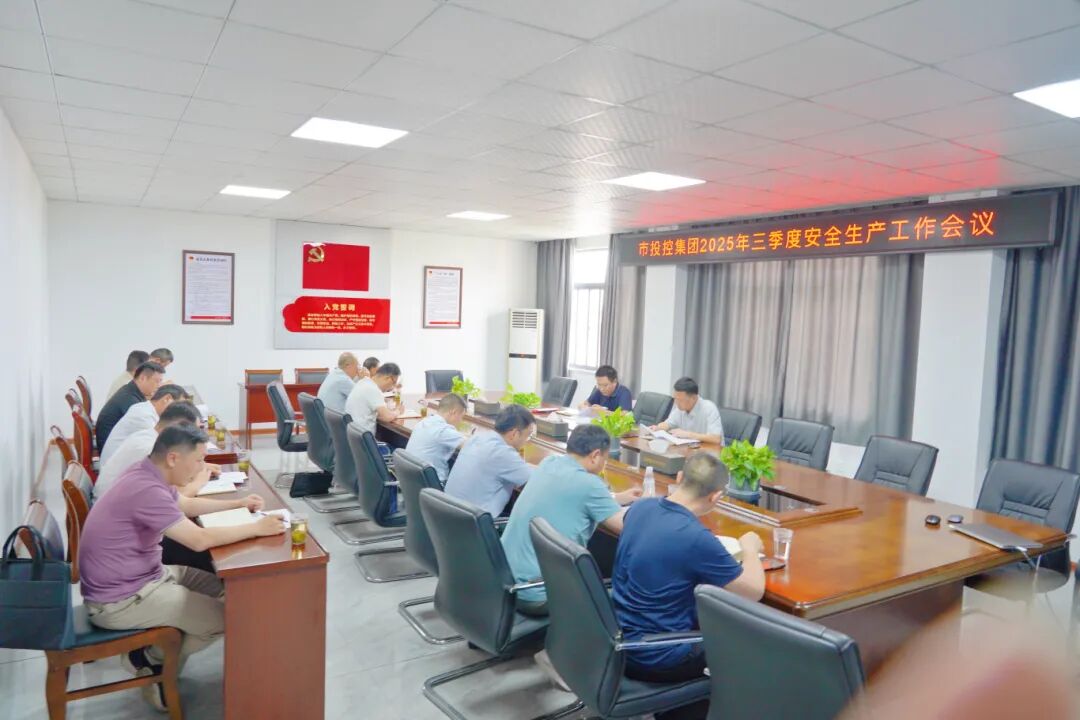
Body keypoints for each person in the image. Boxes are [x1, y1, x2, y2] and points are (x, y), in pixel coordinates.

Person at [80, 424, 285, 711]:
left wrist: (238, 504)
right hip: (121, 599)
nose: (202, 467)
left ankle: (157, 660)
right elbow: (199, 540)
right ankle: (149, 660)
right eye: (198, 460)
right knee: (225, 619)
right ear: (173, 458)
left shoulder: (147, 472)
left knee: (228, 591)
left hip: (146, 575)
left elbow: (185, 505)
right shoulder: (146, 489)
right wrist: (256, 528)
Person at [611, 452, 764, 720]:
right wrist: (750, 549)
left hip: (617, 640)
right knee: (751, 642)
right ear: (716, 497)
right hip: (658, 657)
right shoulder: (695, 537)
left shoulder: (640, 508)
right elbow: (753, 591)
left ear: (680, 477)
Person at [501, 424, 642, 617]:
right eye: (605, 459)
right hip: (539, 594)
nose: (604, 464)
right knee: (627, 593)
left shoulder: (549, 463)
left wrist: (616, 498)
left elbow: (572, 494)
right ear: (595, 455)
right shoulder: (590, 484)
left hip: (505, 582)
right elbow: (626, 527)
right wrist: (649, 509)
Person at [95, 401, 213, 501]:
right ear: (178, 427)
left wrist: (198, 466)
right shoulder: (149, 448)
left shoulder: (148, 435)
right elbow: (171, 499)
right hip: (115, 510)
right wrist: (198, 482)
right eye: (193, 431)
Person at [444, 404, 533, 515]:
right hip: (475, 521)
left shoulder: (477, 437)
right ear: (514, 433)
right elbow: (536, 482)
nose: (526, 441)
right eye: (528, 436)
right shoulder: (503, 453)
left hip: (448, 514)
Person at [99, 384, 189, 466]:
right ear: (167, 398)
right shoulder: (143, 417)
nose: (179, 413)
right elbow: (161, 452)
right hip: (117, 474)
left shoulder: (144, 408)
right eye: (179, 406)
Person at [96, 361, 167, 450]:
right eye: (157, 381)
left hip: (116, 446)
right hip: (112, 450)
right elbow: (149, 431)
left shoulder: (131, 391)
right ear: (143, 378)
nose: (159, 386)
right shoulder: (129, 399)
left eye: (161, 381)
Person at [405, 392, 467, 485]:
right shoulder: (443, 430)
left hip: (412, 482)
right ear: (453, 412)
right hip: (433, 485)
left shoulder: (424, 421)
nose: (460, 421)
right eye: (461, 417)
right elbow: (471, 445)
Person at [651, 377, 724, 445]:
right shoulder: (679, 409)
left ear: (693, 398)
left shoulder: (709, 408)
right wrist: (658, 427)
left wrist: (688, 434)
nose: (676, 402)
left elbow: (716, 439)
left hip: (710, 452)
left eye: (680, 400)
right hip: (691, 449)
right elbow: (668, 424)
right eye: (675, 398)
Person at [345, 361, 401, 435]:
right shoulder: (373, 389)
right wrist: (398, 411)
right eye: (394, 383)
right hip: (364, 438)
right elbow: (387, 417)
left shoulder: (363, 382)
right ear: (388, 378)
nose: (392, 387)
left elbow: (380, 415)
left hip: (354, 436)